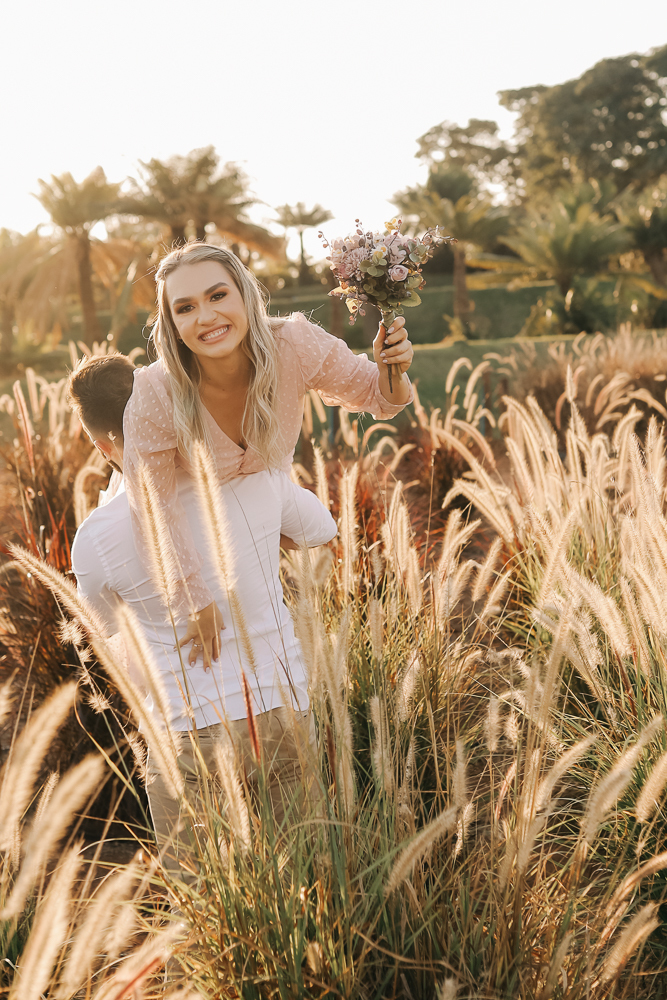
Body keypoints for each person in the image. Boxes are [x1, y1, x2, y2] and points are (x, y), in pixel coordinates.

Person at [68, 353, 337, 866]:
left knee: (200, 896)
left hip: (187, 728)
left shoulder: (97, 537)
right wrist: (257, 541)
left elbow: (103, 639)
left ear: (102, 445)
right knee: (311, 881)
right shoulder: (249, 472)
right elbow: (322, 530)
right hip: (282, 707)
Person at [122, 241, 415, 668]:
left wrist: (393, 366)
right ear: (171, 323)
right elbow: (153, 509)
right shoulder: (155, 391)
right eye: (184, 308)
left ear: (245, 293)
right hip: (190, 524)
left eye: (218, 295)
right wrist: (194, 600)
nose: (205, 317)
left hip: (264, 502)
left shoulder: (294, 343)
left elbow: (380, 397)